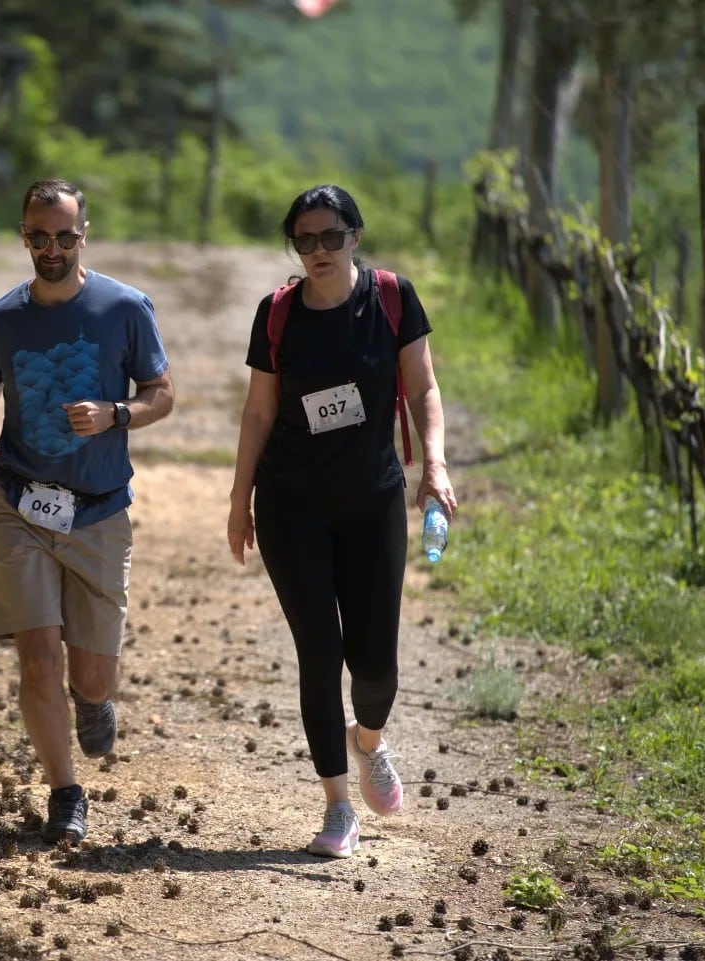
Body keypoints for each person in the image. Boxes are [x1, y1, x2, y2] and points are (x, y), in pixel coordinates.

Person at [226, 184, 457, 859]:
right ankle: (336, 805)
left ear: (355, 235)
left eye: (331, 236)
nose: (319, 250)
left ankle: (370, 742)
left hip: (371, 501)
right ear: (294, 246)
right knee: (320, 651)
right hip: (292, 503)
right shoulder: (276, 314)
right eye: (306, 239)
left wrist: (434, 467)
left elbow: (422, 388)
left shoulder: (390, 299)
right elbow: (259, 413)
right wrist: (240, 498)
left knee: (377, 664)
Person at [0, 178, 175, 845]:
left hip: (100, 511)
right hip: (19, 503)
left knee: (91, 672)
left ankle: (97, 698)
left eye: (64, 236)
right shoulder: (0, 320)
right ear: (22, 234)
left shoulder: (125, 309)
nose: (51, 248)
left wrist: (117, 414)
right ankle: (65, 791)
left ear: (85, 234)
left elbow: (161, 393)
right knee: (36, 657)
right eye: (38, 236)